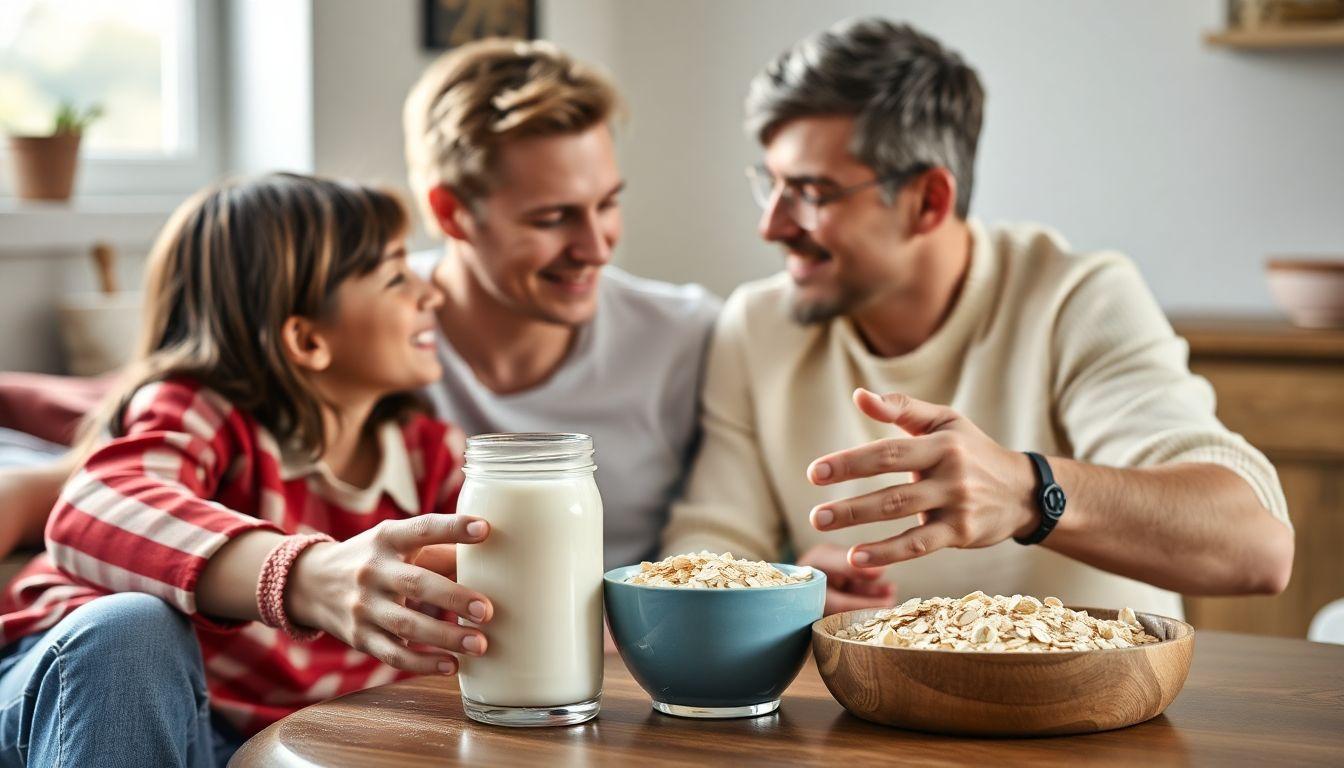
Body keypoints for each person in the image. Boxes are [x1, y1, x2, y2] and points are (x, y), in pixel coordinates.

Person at [0, 38, 720, 574]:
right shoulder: (368, 321)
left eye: (608, 203)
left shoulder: (690, 334)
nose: (597, 245)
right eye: (552, 218)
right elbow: (126, 458)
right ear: (451, 212)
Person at [661, 18, 1293, 617]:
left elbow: (1258, 547)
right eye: (770, 184)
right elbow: (704, 554)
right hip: (864, 696)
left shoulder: (1077, 299)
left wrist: (1028, 493)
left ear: (929, 201)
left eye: (811, 193)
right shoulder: (757, 327)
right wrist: (784, 593)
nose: (771, 225)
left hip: (1098, 696)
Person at [0, 174, 494, 767]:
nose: (430, 294)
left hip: (282, 744)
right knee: (130, 629)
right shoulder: (202, 412)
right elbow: (92, 504)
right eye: (396, 277)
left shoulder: (432, 456)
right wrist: (306, 575)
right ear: (306, 339)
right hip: (83, 693)